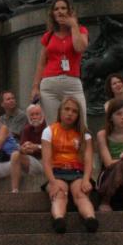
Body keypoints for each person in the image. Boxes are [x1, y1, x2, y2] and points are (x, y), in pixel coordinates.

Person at [41, 96, 98, 233]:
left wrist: (86, 179)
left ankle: (90, 219)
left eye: (74, 111)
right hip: (57, 172)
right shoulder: (49, 131)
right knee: (60, 194)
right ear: (60, 111)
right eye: (67, 109)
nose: (70, 113)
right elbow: (46, 161)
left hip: (77, 172)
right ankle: (59, 219)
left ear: (78, 115)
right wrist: (52, 182)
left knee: (80, 193)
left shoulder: (85, 135)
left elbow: (89, 160)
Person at [30, 0, 89, 124]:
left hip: (72, 83)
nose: (60, 11)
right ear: (52, 14)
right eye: (56, 9)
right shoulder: (48, 36)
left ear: (69, 11)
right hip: (49, 85)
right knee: (54, 126)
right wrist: (35, 87)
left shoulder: (80, 30)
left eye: (63, 8)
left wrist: (73, 25)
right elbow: (41, 64)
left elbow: (79, 48)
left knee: (81, 123)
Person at [10, 103, 46, 192]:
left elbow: (53, 147)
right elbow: (21, 148)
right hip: (32, 161)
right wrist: (24, 148)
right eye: (32, 115)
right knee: (15, 154)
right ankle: (14, 190)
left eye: (37, 114)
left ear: (43, 115)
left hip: (46, 162)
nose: (34, 117)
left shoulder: (48, 127)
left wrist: (36, 147)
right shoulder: (26, 129)